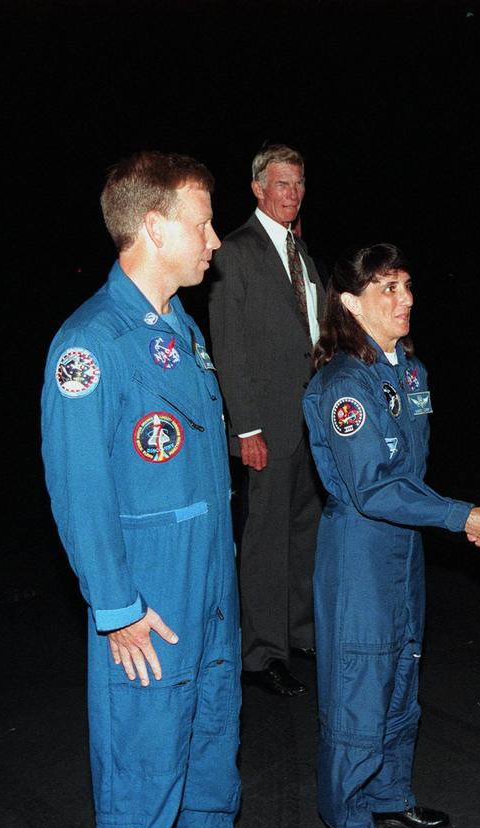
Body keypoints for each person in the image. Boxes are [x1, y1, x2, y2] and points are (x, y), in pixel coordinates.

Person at [41, 152, 239, 828]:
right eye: (204, 224)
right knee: (142, 792)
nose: (215, 240)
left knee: (211, 785)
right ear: (154, 227)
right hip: (151, 602)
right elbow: (79, 486)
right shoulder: (91, 344)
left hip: (211, 595)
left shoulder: (181, 329)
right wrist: (116, 605)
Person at [302, 243, 480, 828]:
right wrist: (462, 515)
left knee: (401, 672)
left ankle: (389, 794)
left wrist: (457, 518)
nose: (406, 299)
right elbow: (372, 487)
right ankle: (347, 816)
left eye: (408, 286)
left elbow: (412, 476)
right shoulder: (342, 382)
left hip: (406, 546)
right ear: (349, 302)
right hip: (359, 550)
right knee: (360, 679)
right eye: (388, 288)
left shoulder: (410, 372)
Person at [208, 143, 323, 697]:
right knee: (264, 541)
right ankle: (260, 653)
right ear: (257, 188)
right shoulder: (235, 252)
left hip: (310, 425)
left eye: (299, 183)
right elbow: (229, 350)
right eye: (282, 184)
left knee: (305, 532)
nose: (292, 193)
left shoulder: (303, 255)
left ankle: (297, 631)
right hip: (267, 428)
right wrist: (245, 428)